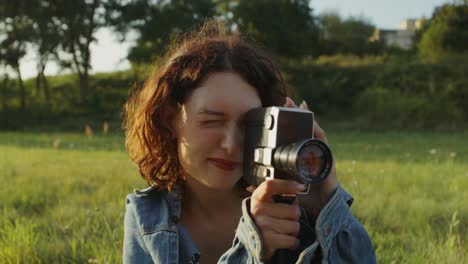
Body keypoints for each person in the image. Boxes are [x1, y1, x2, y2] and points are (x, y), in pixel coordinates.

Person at [122, 20, 376, 264]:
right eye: (212, 121)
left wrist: (328, 208)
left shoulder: (292, 213)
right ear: (170, 120)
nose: (232, 145)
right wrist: (253, 246)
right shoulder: (148, 216)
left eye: (249, 125)